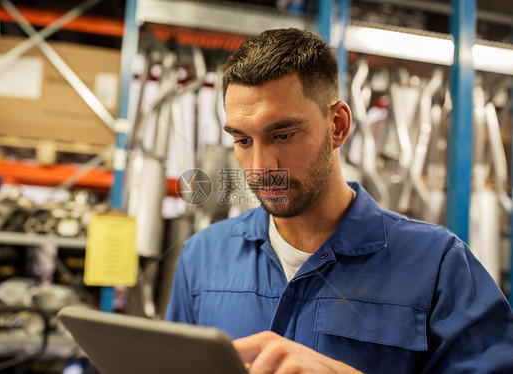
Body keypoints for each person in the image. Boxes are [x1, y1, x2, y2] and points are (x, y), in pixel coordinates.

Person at [166, 28, 513, 373]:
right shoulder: (202, 257)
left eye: (283, 135)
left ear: (338, 125)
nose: (261, 167)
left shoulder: (438, 266)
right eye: (243, 141)